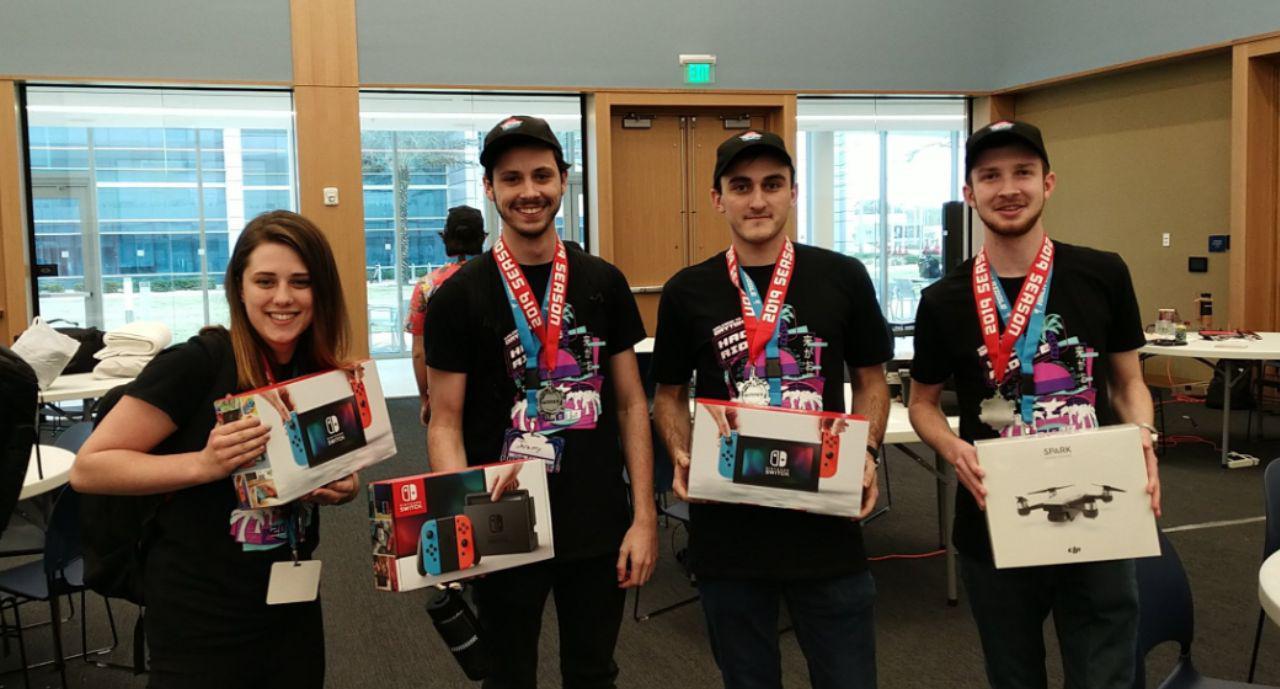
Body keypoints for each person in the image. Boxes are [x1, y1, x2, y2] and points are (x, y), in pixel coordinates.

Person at [907, 120, 1162, 689]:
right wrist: (951, 447)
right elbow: (921, 403)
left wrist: (1143, 434)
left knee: (1105, 673)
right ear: (970, 194)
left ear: (1049, 182)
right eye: (990, 176)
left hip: (1099, 512)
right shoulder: (943, 298)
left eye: (1023, 172)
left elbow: (1127, 383)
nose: (1008, 188)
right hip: (994, 514)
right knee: (1013, 673)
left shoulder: (1102, 273)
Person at [71, 210, 361, 689]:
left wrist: (341, 486)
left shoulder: (317, 373)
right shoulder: (199, 363)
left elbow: (330, 470)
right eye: (265, 281)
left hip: (289, 597)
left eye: (301, 282)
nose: (283, 298)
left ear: (321, 291)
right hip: (199, 611)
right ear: (239, 288)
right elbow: (90, 469)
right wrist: (205, 464)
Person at [650, 129, 892, 689]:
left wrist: (870, 451)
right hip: (729, 528)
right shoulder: (688, 290)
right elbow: (667, 395)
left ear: (793, 192)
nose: (757, 200)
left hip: (825, 522)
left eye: (771, 185)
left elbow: (872, 382)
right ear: (718, 199)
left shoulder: (842, 277)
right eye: (741, 186)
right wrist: (681, 449)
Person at [423, 115, 658, 689]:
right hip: (502, 521)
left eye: (541, 175)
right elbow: (444, 422)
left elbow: (630, 406)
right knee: (507, 675)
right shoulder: (457, 297)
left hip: (597, 519)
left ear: (562, 179)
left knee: (592, 672)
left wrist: (646, 517)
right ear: (489, 189)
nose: (528, 191)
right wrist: (463, 526)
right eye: (511, 179)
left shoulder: (603, 282)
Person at [405, 204, 486, 426]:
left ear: (446, 239)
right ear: (482, 238)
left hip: (444, 384)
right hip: (492, 385)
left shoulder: (426, 286)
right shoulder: (498, 279)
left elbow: (419, 352)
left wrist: (425, 398)